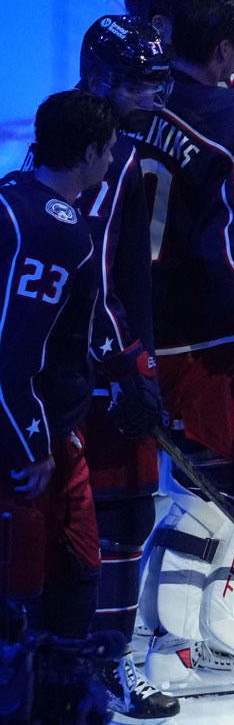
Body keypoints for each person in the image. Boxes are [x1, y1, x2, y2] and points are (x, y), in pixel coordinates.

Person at [133, 0, 234, 697]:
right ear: (228, 48)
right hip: (199, 334)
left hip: (137, 323)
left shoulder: (139, 102)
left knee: (190, 484)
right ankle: (172, 651)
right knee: (212, 488)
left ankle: (174, 637)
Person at [72, 15, 182, 725]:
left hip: (95, 369)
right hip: (89, 379)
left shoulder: (106, 149)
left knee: (119, 514)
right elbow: (99, 283)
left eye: (157, 80)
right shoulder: (99, 163)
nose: (152, 95)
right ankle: (101, 664)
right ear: (101, 81)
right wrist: (131, 367)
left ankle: (84, 661)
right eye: (139, 83)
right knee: (116, 514)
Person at [0, 90, 113, 642]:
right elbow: (14, 350)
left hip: (41, 428)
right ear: (90, 152)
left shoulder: (12, 191)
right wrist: (32, 442)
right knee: (55, 578)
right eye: (109, 148)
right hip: (30, 443)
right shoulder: (57, 233)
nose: (113, 159)